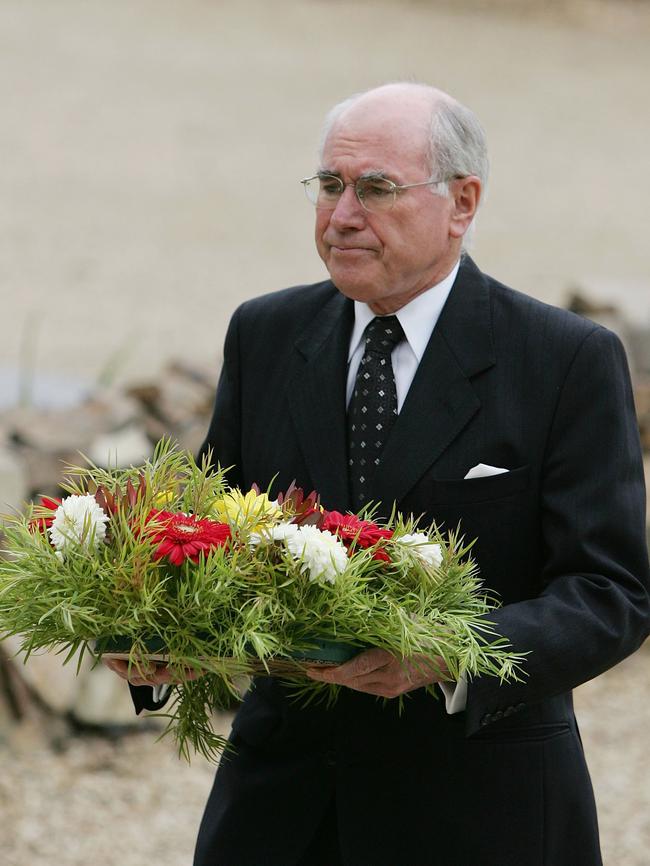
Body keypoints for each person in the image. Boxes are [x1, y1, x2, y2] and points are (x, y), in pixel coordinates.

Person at [109, 82, 650, 865]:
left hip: (479, 810)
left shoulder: (562, 360)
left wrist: (449, 654)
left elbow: (611, 593)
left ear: (462, 203)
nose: (341, 216)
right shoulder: (264, 334)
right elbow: (208, 541)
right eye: (329, 185)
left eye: (376, 189)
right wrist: (160, 637)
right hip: (279, 813)